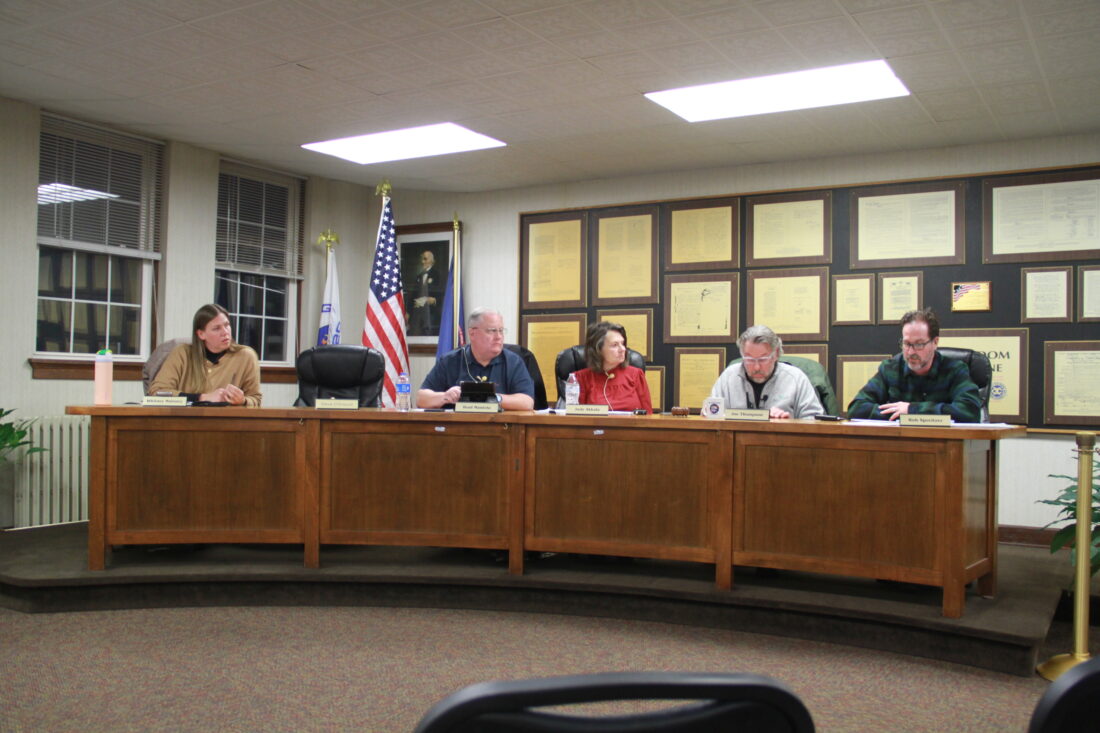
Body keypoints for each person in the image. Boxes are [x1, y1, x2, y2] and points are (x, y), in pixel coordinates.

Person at [847, 308, 981, 422]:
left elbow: (970, 412)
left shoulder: (955, 370)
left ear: (935, 342)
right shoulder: (890, 369)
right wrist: (899, 415)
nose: (911, 352)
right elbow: (856, 408)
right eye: (906, 344)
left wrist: (912, 410)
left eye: (919, 344)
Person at [417, 307, 535, 411]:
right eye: (492, 331)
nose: (499, 337)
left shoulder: (513, 362)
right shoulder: (450, 361)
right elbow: (421, 399)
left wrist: (492, 398)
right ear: (472, 333)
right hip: (459, 430)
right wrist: (445, 396)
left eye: (501, 330)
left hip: (499, 431)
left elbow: (527, 402)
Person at [148, 304, 262, 407]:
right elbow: (157, 392)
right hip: (185, 422)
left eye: (227, 325)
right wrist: (202, 398)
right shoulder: (181, 353)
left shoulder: (246, 356)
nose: (225, 332)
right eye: (216, 328)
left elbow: (256, 400)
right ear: (201, 334)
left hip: (226, 424)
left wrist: (243, 401)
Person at [709, 325, 823, 419]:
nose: (757, 367)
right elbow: (713, 415)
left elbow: (815, 420)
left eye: (763, 359)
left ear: (776, 354)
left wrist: (788, 423)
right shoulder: (728, 377)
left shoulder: (796, 378)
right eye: (749, 360)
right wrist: (708, 413)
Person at [570, 321, 652, 413]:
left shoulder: (636, 375)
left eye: (622, 343)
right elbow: (575, 419)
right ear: (598, 350)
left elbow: (648, 417)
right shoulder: (579, 378)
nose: (623, 349)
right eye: (615, 345)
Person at [406, 249, 443, 336]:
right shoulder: (419, 276)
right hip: (418, 314)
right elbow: (413, 295)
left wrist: (435, 300)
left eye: (425, 259)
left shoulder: (437, 274)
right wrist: (408, 311)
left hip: (431, 313)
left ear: (432, 261)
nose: (423, 262)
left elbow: (442, 293)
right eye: (422, 259)